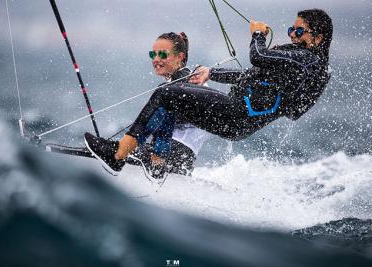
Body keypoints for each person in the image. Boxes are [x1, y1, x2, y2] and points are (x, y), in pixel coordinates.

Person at [84, 9, 333, 176]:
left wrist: (258, 33)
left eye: (298, 31)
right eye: (291, 29)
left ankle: (117, 155)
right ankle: (158, 162)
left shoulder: (307, 60)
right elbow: (249, 75)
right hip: (239, 120)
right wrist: (211, 74)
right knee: (172, 98)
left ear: (318, 38)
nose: (292, 35)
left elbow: (257, 56)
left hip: (237, 114)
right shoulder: (302, 64)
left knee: (166, 94)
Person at [125, 32, 210, 179]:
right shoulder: (181, 78)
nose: (156, 60)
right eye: (153, 54)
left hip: (176, 154)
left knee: (118, 151)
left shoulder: (190, 81)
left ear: (180, 57)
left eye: (163, 55)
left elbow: (184, 109)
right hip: (178, 156)